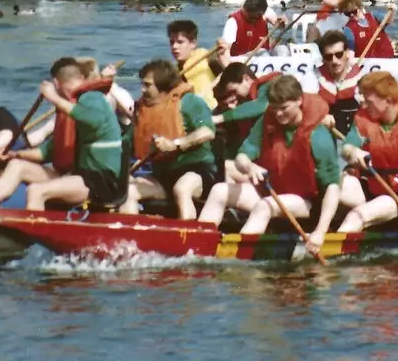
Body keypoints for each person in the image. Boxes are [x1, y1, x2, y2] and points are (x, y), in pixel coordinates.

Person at [196, 74, 341, 258]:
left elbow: (333, 187)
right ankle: (197, 250)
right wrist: (249, 167)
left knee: (265, 206)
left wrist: (320, 232)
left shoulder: (318, 135)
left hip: (307, 202)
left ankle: (238, 261)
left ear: (299, 101)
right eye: (274, 108)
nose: (278, 114)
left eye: (284, 108)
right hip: (271, 191)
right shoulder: (268, 121)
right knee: (219, 190)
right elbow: (242, 155)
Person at [0, 58, 123, 212]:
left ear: (56, 84)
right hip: (75, 178)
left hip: (99, 183)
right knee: (17, 166)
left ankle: (29, 232)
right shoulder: (69, 108)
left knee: (36, 190)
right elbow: (47, 152)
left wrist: (53, 98)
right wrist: (15, 154)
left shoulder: (92, 98)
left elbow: (92, 119)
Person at [337, 72, 398, 235]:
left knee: (355, 216)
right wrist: (353, 152)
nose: (363, 106)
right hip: (372, 189)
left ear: (389, 101)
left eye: (369, 101)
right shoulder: (364, 121)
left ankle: (333, 251)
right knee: (334, 186)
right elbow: (347, 148)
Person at [122, 59, 218, 220]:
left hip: (198, 172)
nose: (142, 90)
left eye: (147, 85)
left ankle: (186, 237)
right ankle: (131, 237)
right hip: (163, 176)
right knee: (128, 190)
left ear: (162, 86)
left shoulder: (189, 102)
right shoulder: (142, 111)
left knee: (182, 189)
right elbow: (126, 143)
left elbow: (207, 131)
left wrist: (175, 145)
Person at [313, 30, 362, 134]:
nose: (334, 61)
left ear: (347, 52)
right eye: (328, 57)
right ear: (323, 59)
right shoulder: (314, 78)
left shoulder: (360, 78)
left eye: (339, 54)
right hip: (324, 136)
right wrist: (319, 116)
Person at [169, 19, 222, 104]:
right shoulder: (174, 72)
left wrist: (224, 57)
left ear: (193, 43)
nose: (174, 46)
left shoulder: (207, 57)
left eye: (180, 42)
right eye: (171, 42)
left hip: (214, 109)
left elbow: (227, 75)